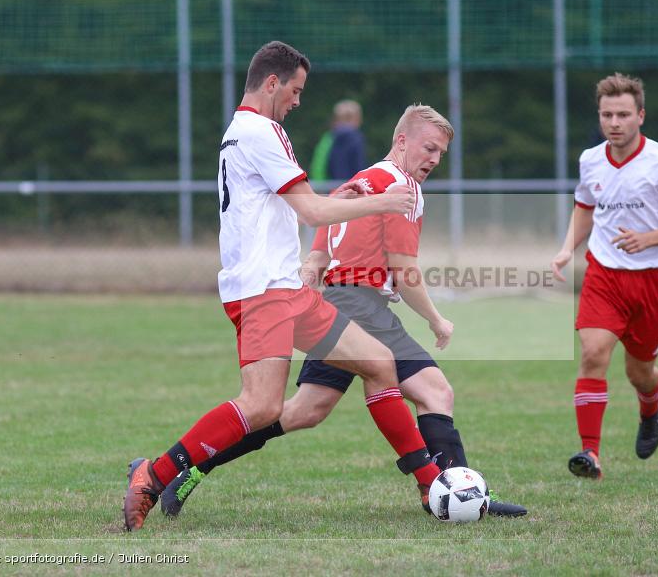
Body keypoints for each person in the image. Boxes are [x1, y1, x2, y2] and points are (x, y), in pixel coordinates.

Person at [123, 42, 443, 531]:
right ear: (272, 83)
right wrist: (381, 202)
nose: (298, 101)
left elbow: (291, 203)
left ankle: (429, 484)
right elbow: (311, 212)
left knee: (379, 364)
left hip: (288, 290)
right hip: (263, 292)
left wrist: (342, 196)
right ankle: (156, 472)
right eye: (295, 90)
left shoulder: (242, 131)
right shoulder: (262, 131)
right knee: (262, 406)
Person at [157, 104, 527, 518]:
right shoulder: (401, 189)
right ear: (401, 141)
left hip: (336, 301)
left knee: (304, 411)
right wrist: (436, 319)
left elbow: (326, 224)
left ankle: (190, 470)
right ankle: (455, 494)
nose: (434, 159)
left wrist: (316, 263)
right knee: (435, 391)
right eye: (428, 148)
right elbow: (404, 271)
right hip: (360, 305)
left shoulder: (365, 176)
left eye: (440, 153)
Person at [550, 73, 658, 479]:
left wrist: (648, 239)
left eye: (622, 114)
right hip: (604, 274)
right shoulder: (590, 159)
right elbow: (584, 206)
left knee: (640, 372)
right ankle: (590, 454)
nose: (614, 122)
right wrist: (569, 248)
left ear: (640, 116)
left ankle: (651, 407)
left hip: (655, 280)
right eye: (606, 115)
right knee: (593, 353)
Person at [309, 99, 366, 183]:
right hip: (350, 187)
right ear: (356, 118)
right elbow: (358, 166)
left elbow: (318, 165)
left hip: (328, 187)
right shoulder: (356, 138)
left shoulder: (328, 137)